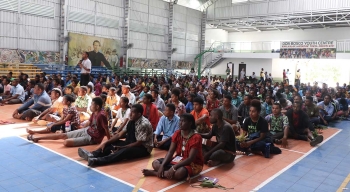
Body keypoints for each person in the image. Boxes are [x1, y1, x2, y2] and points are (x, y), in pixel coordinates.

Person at [78, 104, 153, 167]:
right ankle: (93, 154)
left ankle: (98, 161)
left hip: (143, 148)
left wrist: (122, 147)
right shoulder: (131, 121)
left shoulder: (144, 124)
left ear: (139, 114)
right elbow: (119, 134)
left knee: (124, 151)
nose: (130, 114)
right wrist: (106, 142)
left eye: (132, 113)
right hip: (131, 142)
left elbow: (139, 143)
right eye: (130, 112)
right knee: (112, 143)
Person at [27, 97, 110, 147]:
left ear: (97, 106)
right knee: (62, 135)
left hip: (92, 138)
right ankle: (37, 138)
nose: (90, 106)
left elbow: (106, 129)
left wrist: (110, 142)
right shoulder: (94, 113)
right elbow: (89, 123)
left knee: (66, 142)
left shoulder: (101, 115)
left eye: (92, 104)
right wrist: (81, 128)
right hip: (87, 130)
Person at [142, 113, 203, 181]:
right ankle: (166, 172)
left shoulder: (196, 137)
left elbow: (190, 158)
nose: (180, 123)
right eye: (180, 121)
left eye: (183, 121)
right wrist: (162, 166)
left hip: (193, 163)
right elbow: (170, 151)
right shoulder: (177, 133)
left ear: (190, 123)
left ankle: (155, 173)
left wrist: (174, 167)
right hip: (178, 159)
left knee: (179, 173)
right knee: (155, 163)